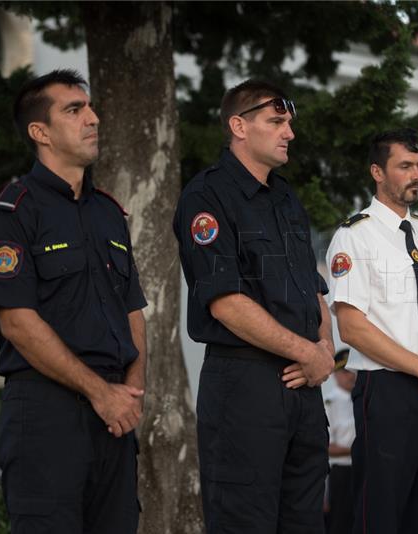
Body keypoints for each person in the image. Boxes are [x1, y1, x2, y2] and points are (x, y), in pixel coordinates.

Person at [0, 69, 147, 533]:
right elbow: (17, 324)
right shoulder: (11, 214)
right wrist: (101, 393)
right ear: (40, 132)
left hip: (115, 419)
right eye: (74, 110)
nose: (92, 118)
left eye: (90, 108)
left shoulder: (109, 214)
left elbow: (133, 310)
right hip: (47, 415)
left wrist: (129, 394)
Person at [173, 79, 334, 533]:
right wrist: (307, 353)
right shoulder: (206, 197)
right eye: (276, 122)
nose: (289, 133)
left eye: (289, 123)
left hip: (304, 385)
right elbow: (225, 302)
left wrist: (323, 349)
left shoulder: (285, 197)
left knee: (304, 523)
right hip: (245, 385)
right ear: (239, 126)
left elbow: (312, 288)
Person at [326, 128, 418, 533]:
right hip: (388, 391)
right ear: (377, 171)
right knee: (381, 514)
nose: (417, 174)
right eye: (405, 166)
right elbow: (353, 327)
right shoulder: (354, 236)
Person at [324, 349, 356, 534]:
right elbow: (326, 446)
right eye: (345, 371)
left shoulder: (362, 400)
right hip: (341, 472)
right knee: (340, 524)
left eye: (353, 370)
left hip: (363, 468)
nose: (351, 375)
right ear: (335, 373)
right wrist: (356, 450)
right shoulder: (330, 402)